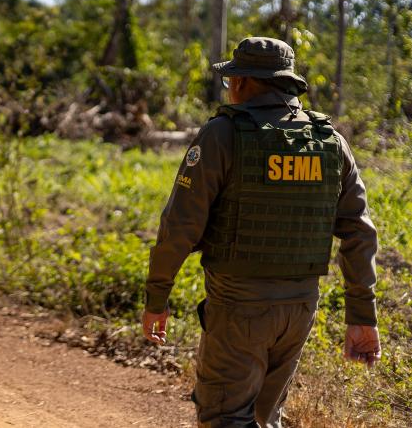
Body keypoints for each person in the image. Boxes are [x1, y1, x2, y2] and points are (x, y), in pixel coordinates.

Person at [142, 36, 379, 428]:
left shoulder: (223, 134)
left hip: (239, 306)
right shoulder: (330, 142)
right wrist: (361, 316)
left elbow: (180, 226)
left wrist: (157, 297)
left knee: (226, 418)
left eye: (230, 80)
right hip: (300, 309)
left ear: (243, 82)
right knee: (265, 419)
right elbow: (359, 232)